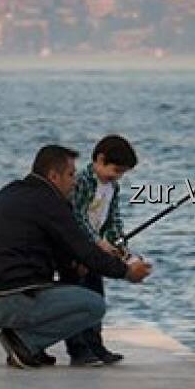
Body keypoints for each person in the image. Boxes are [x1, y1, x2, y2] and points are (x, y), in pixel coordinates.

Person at [0, 144, 152, 369]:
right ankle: (24, 343)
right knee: (93, 305)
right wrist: (127, 271)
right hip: (6, 300)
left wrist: (74, 263)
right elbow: (84, 248)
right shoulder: (50, 203)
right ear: (53, 176)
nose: (74, 182)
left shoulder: (14, 190)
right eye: (71, 175)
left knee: (57, 286)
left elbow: (58, 248)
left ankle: (30, 346)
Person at [64, 133, 138, 365]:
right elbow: (76, 216)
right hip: (77, 250)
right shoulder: (83, 181)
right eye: (116, 170)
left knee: (96, 298)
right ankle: (78, 349)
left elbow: (114, 220)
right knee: (74, 298)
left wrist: (120, 247)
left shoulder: (112, 188)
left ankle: (96, 346)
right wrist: (97, 241)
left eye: (123, 173)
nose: (118, 176)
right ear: (100, 159)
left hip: (97, 251)